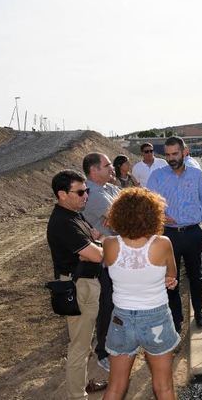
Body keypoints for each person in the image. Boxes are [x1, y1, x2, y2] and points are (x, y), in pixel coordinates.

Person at [102, 187, 179, 400]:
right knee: (164, 387)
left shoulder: (109, 245)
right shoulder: (162, 244)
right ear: (153, 215)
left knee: (115, 387)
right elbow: (171, 274)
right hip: (156, 317)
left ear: (118, 214)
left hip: (121, 319)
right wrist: (167, 279)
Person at [46, 170, 107, 399]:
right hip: (79, 286)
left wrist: (94, 248)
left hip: (86, 282)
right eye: (80, 192)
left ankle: (85, 383)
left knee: (85, 341)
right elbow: (96, 253)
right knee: (79, 346)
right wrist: (95, 249)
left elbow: (94, 240)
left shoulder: (74, 215)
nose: (86, 196)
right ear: (62, 194)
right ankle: (77, 394)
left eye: (87, 191)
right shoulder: (63, 222)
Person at [147, 136, 202, 331]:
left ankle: (198, 312)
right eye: (167, 155)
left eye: (175, 153)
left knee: (196, 275)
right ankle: (176, 318)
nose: (171, 158)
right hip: (168, 235)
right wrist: (159, 215)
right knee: (170, 278)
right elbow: (147, 204)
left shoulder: (196, 174)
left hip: (193, 233)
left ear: (184, 152)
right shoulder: (157, 176)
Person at [81, 153, 121, 373]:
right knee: (106, 306)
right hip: (103, 261)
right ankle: (103, 352)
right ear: (94, 170)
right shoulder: (93, 194)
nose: (111, 169)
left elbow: (129, 206)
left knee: (114, 303)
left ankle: (113, 345)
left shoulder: (108, 189)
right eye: (106, 166)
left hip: (114, 256)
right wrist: (121, 216)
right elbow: (123, 221)